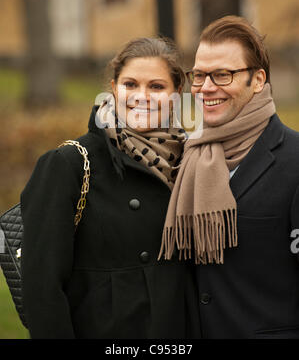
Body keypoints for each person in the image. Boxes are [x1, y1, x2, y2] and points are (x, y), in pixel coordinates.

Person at [20, 37, 200, 339]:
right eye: (130, 84)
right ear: (114, 89)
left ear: (176, 93)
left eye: (156, 87)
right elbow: (42, 288)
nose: (141, 96)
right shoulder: (70, 163)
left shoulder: (190, 160)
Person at [159, 15, 299, 339]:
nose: (206, 87)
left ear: (258, 79)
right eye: (199, 75)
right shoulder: (187, 157)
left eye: (223, 74)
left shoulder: (294, 160)